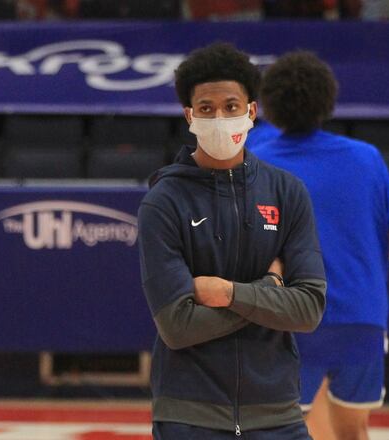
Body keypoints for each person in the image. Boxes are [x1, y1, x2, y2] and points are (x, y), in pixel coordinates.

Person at [137, 42, 327, 439]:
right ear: (190, 116)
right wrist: (268, 289)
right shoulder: (163, 202)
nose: (220, 117)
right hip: (188, 416)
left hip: (277, 413)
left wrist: (226, 292)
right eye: (206, 108)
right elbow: (178, 326)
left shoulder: (287, 192)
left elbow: (308, 309)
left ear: (252, 111)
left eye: (231, 106)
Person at [252, 51, 389, 440]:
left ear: (272, 103)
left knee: (276, 430)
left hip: (290, 320)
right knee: (353, 431)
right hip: (362, 317)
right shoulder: (367, 159)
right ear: (326, 99)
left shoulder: (257, 163)